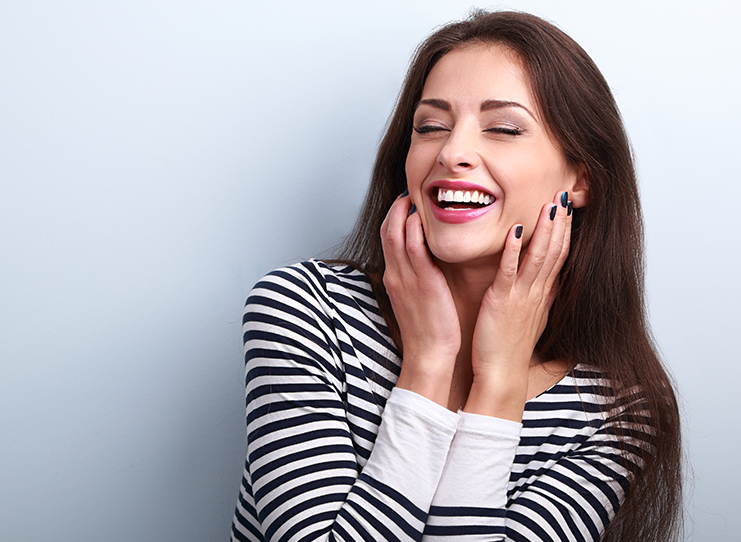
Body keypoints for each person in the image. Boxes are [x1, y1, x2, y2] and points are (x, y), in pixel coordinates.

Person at [231, 10, 682, 542]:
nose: (451, 153)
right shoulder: (305, 309)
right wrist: (428, 364)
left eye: (504, 128)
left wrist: (498, 387)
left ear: (581, 177)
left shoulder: (616, 412)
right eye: (431, 126)